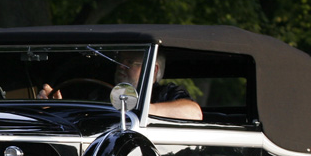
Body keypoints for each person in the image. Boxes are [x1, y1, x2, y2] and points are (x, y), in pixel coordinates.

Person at [39, 52, 203, 120]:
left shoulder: (164, 93)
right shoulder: (100, 92)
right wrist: (56, 107)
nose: (121, 66)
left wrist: (140, 108)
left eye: (130, 62)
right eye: (119, 61)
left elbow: (194, 112)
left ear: (152, 70)